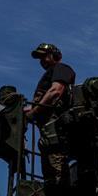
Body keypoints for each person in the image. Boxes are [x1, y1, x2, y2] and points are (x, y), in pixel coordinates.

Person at [25, 42, 76, 184]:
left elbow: (55, 92)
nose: (42, 61)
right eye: (40, 58)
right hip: (47, 132)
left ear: (55, 55)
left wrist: (34, 112)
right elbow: (38, 104)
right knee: (50, 174)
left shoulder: (61, 68)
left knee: (57, 171)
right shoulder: (49, 73)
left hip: (55, 130)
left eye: (45, 56)